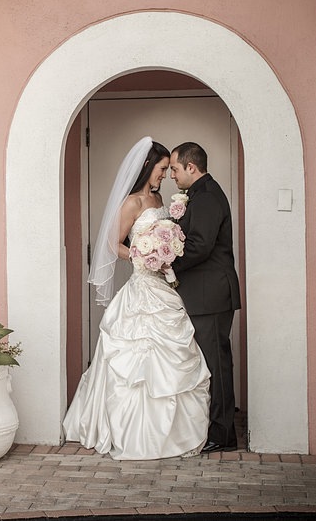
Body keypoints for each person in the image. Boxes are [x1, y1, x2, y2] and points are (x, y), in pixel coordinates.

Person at [63, 137, 210, 460]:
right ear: (146, 168)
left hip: (164, 286)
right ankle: (131, 432)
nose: (164, 175)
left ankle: (174, 433)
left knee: (175, 355)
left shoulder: (161, 200)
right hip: (142, 285)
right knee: (136, 363)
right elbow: (112, 244)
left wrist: (166, 251)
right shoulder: (131, 203)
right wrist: (142, 256)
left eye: (167, 170)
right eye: (160, 169)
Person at [169, 141, 241, 453]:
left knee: (217, 363)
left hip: (211, 293)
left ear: (191, 167)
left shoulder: (208, 197)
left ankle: (223, 435)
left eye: (174, 168)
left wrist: (166, 261)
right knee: (209, 363)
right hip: (203, 293)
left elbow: (199, 245)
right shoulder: (198, 195)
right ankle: (212, 427)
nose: (172, 175)